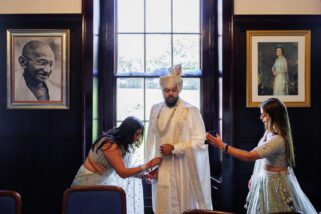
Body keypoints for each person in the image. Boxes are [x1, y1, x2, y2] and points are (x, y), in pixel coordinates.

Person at [206, 98, 317, 214]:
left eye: (263, 115)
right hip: (265, 178)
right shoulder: (269, 132)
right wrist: (255, 174)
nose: (260, 118)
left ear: (274, 117)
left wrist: (223, 146)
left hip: (275, 184)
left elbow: (250, 156)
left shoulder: (278, 140)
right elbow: (261, 158)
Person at [145, 64, 213, 214]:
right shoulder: (155, 109)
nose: (170, 94)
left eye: (173, 90)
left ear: (179, 90)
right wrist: (150, 165)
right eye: (166, 90)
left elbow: (200, 140)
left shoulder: (190, 110)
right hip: (161, 167)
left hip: (182, 167)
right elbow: (150, 140)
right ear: (162, 91)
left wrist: (175, 148)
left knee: (181, 205)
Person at [72, 116, 162, 214]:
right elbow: (123, 173)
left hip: (104, 180)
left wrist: (143, 175)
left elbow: (125, 168)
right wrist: (148, 165)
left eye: (140, 134)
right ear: (128, 132)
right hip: (89, 181)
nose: (138, 138)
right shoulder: (110, 144)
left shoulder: (122, 143)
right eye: (136, 134)